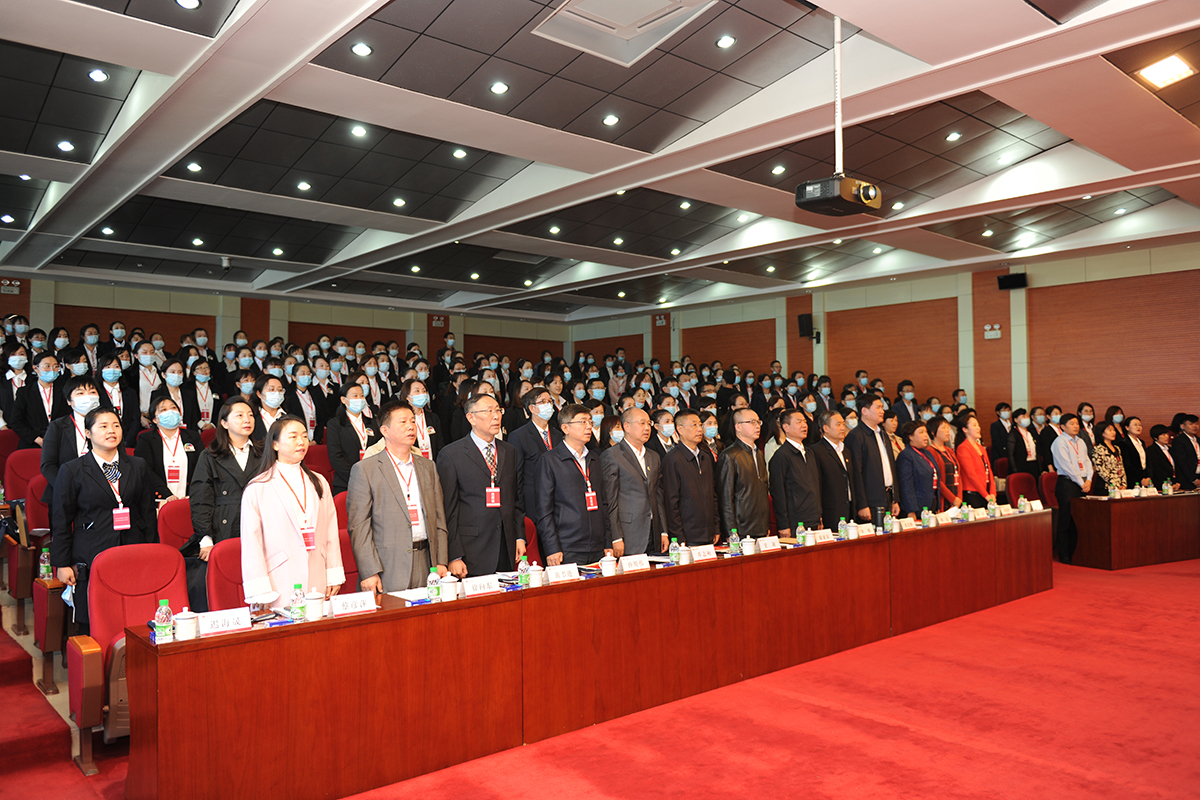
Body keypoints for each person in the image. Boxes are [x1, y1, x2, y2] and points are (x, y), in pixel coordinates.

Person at [50, 407, 158, 631]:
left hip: (132, 548)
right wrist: (62, 563)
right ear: (88, 433)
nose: (111, 431)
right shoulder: (72, 470)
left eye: (116, 425)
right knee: (95, 619)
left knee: (134, 614)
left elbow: (147, 513)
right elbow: (61, 520)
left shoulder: (137, 465)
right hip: (92, 552)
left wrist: (151, 553)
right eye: (104, 426)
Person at [348, 400, 450, 594]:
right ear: (385, 431)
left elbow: (439, 518)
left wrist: (441, 560)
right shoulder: (365, 470)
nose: (410, 426)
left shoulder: (428, 466)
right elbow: (359, 526)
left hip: (427, 563)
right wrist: (369, 571)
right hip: (387, 566)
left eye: (412, 421)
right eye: (403, 422)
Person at [241, 417, 343, 610]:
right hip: (279, 577)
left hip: (317, 571)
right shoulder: (258, 487)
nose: (301, 442)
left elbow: (331, 531)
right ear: (275, 444)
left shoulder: (319, 481)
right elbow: (252, 544)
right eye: (293, 436)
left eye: (304, 436)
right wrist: (260, 590)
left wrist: (333, 574)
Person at [437, 393, 524, 577]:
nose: (496, 416)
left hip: (506, 544)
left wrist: (519, 536)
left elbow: (514, 499)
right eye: (488, 411)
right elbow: (448, 510)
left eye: (498, 410)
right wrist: (454, 555)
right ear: (471, 418)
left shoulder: (509, 451)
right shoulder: (452, 454)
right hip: (471, 550)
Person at [187, 399, 262, 562]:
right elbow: (201, 500)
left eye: (250, 415)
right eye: (239, 415)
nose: (247, 420)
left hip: (259, 524)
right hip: (223, 526)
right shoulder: (209, 456)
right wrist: (206, 539)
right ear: (224, 423)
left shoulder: (264, 453)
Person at [535, 404, 608, 565]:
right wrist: (552, 547)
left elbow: (604, 503)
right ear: (565, 428)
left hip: (597, 546)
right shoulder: (550, 460)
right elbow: (544, 510)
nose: (588, 426)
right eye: (582, 422)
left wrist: (607, 542)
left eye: (590, 421)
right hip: (567, 546)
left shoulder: (594, 459)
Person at [600, 407, 666, 558]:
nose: (647, 428)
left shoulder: (654, 456)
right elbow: (610, 500)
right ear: (627, 427)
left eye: (649, 423)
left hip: (654, 531)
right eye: (641, 423)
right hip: (628, 533)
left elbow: (658, 496)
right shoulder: (612, 455)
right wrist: (615, 537)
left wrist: (663, 531)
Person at [660, 408, 719, 546]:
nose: (699, 429)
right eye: (694, 425)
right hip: (687, 534)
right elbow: (671, 502)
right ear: (680, 429)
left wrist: (716, 527)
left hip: (708, 532)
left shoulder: (705, 457)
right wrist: (678, 536)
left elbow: (713, 494)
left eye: (700, 425)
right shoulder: (672, 460)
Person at [508, 387, 563, 533]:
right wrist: (521, 510)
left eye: (550, 401)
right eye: (543, 402)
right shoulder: (519, 436)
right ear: (532, 408)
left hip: (559, 502)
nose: (548, 405)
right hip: (533, 504)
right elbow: (517, 476)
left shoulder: (558, 435)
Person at [40, 376, 100, 506]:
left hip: (101, 493)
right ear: (69, 401)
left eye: (92, 392)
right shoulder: (57, 426)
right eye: (80, 393)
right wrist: (68, 489)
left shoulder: (109, 424)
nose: (87, 397)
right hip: (65, 494)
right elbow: (48, 466)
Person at [135, 397, 204, 502]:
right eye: (163, 410)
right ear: (155, 419)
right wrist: (167, 495)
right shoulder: (146, 439)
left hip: (190, 499)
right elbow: (146, 470)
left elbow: (202, 466)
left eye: (173, 408)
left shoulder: (192, 437)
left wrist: (192, 494)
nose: (170, 412)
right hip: (160, 500)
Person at [716, 407, 770, 540]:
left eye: (758, 422)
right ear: (738, 427)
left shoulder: (758, 454)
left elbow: (763, 490)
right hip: (741, 529)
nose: (757, 426)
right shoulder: (730, 456)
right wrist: (731, 532)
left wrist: (765, 525)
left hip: (760, 526)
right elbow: (725, 498)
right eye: (752, 422)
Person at [845, 396, 899, 524]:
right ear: (864, 411)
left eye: (882, 407)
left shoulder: (883, 434)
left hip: (887, 497)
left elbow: (891, 467)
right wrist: (862, 504)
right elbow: (856, 473)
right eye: (878, 407)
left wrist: (895, 499)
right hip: (870, 501)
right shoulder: (856, 436)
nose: (882, 411)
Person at [767, 409, 822, 534]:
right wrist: (783, 524)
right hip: (795, 521)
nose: (804, 425)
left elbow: (816, 485)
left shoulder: (809, 452)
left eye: (805, 422)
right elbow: (778, 493)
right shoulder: (781, 456)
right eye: (798, 422)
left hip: (813, 518)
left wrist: (819, 516)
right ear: (786, 427)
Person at [325, 381, 381, 494]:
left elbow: (380, 448)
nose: (359, 399)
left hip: (373, 479)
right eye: (355, 396)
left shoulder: (372, 423)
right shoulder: (335, 424)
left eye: (361, 395)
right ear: (343, 400)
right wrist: (357, 476)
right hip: (346, 481)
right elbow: (336, 457)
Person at [1051, 413, 1092, 564]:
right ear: (1062, 426)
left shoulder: (1080, 441)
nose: (1075, 426)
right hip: (1067, 484)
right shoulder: (1059, 442)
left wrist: (1089, 479)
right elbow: (1066, 466)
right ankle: (1064, 555)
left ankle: (1077, 552)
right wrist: (1082, 483)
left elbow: (1087, 462)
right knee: (1066, 520)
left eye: (1077, 423)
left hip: (1082, 483)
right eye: (1072, 424)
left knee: (1079, 520)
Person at [12, 351, 68, 448]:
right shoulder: (24, 392)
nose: (52, 370)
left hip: (60, 441)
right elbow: (15, 421)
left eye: (55, 366)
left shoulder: (64, 390)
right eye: (47, 366)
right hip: (32, 443)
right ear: (35, 368)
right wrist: (37, 439)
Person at [896, 421, 939, 517]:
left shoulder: (927, 453)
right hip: (918, 506)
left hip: (932, 501)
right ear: (910, 436)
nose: (925, 435)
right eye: (921, 432)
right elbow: (906, 486)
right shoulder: (906, 455)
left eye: (926, 432)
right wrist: (911, 510)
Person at [957, 415, 996, 508]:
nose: (978, 428)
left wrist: (993, 493)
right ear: (965, 429)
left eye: (978, 425)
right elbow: (971, 475)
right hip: (973, 493)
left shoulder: (981, 448)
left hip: (986, 492)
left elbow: (989, 471)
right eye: (974, 425)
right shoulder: (963, 448)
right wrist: (986, 495)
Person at [284, 362, 327, 443]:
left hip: (315, 438)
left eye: (308, 373)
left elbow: (321, 418)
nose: (306, 376)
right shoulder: (288, 396)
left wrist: (316, 440)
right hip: (297, 439)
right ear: (294, 377)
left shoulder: (316, 393)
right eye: (302, 374)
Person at [927, 417, 962, 511]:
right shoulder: (930, 451)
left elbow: (958, 474)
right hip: (943, 499)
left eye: (948, 427)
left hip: (956, 498)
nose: (947, 430)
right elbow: (937, 479)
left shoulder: (949, 451)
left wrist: (958, 498)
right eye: (943, 427)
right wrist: (952, 499)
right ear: (933, 432)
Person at [1090, 421, 1126, 495]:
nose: (1113, 432)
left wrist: (1123, 483)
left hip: (1119, 486)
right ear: (1102, 433)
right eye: (1110, 430)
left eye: (1114, 430)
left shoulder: (1117, 448)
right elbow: (1100, 470)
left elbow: (1121, 467)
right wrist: (1114, 484)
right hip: (1105, 487)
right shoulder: (1099, 449)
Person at [249, 374, 288, 441]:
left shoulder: (288, 416)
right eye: (271, 389)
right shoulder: (251, 417)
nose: (277, 393)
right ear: (259, 394)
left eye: (280, 390)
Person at [1169, 414, 1200, 490]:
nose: (1195, 426)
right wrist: (1194, 479)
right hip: (1187, 480)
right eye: (1191, 424)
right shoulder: (1179, 440)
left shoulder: (1198, 440)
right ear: (1183, 426)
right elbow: (1182, 462)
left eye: (1196, 423)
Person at [1119, 416, 1151, 489]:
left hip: (1145, 480)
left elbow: (1148, 461)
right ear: (1127, 427)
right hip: (1132, 479)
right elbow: (1127, 464)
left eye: (1140, 425)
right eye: (1135, 425)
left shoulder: (1142, 442)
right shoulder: (1123, 443)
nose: (1138, 427)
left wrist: (1148, 477)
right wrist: (1140, 478)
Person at [1007, 408, 1040, 476]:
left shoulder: (1032, 432)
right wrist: (1015, 470)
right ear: (1016, 420)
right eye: (1023, 416)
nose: (1026, 418)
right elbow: (1010, 454)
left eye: (1027, 416)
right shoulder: (1014, 434)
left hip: (1034, 464)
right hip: (1021, 466)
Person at [1147, 424, 1178, 490]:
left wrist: (1177, 482)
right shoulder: (1151, 450)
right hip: (1161, 485)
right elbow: (1156, 469)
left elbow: (1176, 466)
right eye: (1163, 435)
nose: (1167, 436)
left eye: (1167, 434)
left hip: (1174, 483)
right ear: (1155, 437)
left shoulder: (1170, 449)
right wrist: (1168, 483)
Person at [1037, 405, 1064, 472]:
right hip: (1053, 463)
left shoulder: (1062, 430)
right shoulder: (1046, 431)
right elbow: (1046, 450)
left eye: (1059, 414)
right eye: (1055, 414)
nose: (1058, 416)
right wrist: (1050, 466)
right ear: (1048, 416)